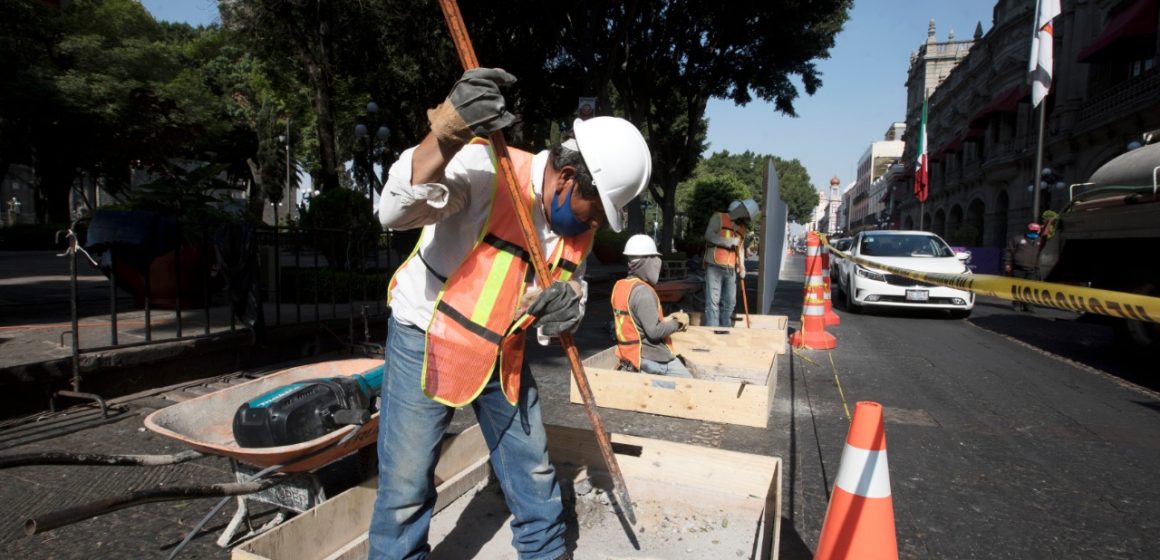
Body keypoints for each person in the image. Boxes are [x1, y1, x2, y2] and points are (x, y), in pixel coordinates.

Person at [371, 67, 652, 560]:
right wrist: (446, 134)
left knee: (534, 471)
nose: (588, 225)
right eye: (590, 211)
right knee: (405, 486)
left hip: (504, 350)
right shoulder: (488, 171)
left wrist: (571, 305)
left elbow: (571, 290)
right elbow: (393, 213)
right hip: (427, 336)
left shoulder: (576, 232)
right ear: (567, 178)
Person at [611, 234, 692, 377]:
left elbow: (636, 321)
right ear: (646, 260)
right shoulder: (643, 292)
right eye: (655, 258)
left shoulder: (621, 287)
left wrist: (667, 319)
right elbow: (654, 332)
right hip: (652, 359)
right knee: (692, 386)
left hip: (630, 353)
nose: (658, 262)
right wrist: (678, 323)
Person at [702, 198, 758, 327]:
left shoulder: (741, 229)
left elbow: (741, 249)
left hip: (731, 269)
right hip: (715, 266)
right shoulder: (719, 218)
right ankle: (712, 331)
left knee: (730, 302)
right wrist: (727, 242)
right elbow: (708, 236)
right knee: (713, 301)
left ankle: (726, 329)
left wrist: (742, 266)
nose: (745, 219)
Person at [1004, 222, 1042, 312]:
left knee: (1030, 289)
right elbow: (1009, 252)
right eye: (1032, 230)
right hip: (1018, 268)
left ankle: (1028, 306)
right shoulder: (1017, 239)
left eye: (1036, 231)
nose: (1034, 232)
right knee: (1017, 287)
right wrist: (1007, 264)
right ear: (1028, 230)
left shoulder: (1039, 241)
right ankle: (1017, 304)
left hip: (1032, 269)